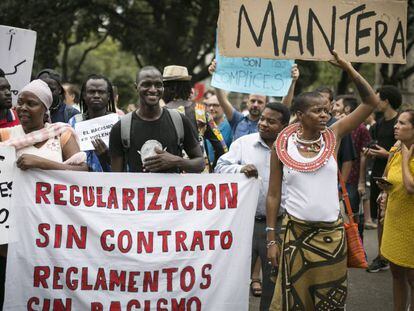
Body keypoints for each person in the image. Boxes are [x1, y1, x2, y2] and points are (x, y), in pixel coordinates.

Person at [266, 51, 380, 310]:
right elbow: (273, 195)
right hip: (296, 236)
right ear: (299, 114)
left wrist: (348, 67)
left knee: (329, 303)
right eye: (317, 111)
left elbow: (371, 102)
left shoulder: (334, 135)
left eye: (326, 111)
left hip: (331, 237)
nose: (324, 115)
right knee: (294, 301)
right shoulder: (281, 147)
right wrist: (272, 240)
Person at [215, 102, 290, 311]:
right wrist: (240, 169)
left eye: (271, 121)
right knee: (233, 280)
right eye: (263, 119)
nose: (263, 124)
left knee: (273, 283)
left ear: (284, 126)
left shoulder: (291, 150)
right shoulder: (243, 144)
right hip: (243, 225)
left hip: (278, 226)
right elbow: (220, 167)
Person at [109, 66, 204, 173]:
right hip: (137, 189)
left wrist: (176, 161)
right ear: (136, 87)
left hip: (172, 189)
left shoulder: (179, 121)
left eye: (158, 85)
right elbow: (116, 178)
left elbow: (200, 163)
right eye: (146, 84)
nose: (153, 89)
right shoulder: (121, 128)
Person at [380, 110, 414, 311]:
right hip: (394, 220)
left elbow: (410, 187)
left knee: (412, 277)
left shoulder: (405, 154)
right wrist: (384, 192)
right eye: (397, 122)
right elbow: (387, 177)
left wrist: (406, 156)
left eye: (402, 123)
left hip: (411, 225)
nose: (396, 126)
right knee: (396, 274)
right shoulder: (396, 149)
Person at [366, 85, 402, 273]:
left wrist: (386, 154)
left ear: (386, 100)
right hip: (378, 176)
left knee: (393, 217)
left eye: (377, 97)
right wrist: (370, 151)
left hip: (396, 179)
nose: (375, 101)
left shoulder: (401, 122)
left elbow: (403, 154)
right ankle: (382, 255)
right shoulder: (379, 123)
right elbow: (371, 144)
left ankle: (394, 255)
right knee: (379, 218)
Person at [163, 65, 226, 171]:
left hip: (169, 179)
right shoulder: (201, 110)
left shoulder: (160, 113)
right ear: (188, 87)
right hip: (200, 179)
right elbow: (222, 147)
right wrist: (213, 169)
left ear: (167, 89)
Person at [332, 95, 372, 239]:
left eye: (336, 104)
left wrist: (361, 181)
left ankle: (358, 254)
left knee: (352, 218)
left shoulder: (360, 128)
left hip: (352, 181)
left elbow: (364, 155)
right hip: (334, 180)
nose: (332, 108)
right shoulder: (331, 125)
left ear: (347, 108)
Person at [69, 74, 117, 172]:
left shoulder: (118, 123)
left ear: (108, 96)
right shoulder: (73, 123)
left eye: (101, 92)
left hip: (110, 184)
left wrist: (107, 157)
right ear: (84, 95)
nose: (96, 95)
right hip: (80, 183)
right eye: (91, 92)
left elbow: (127, 166)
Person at [204, 94, 232, 165]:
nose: (211, 108)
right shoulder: (203, 125)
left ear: (224, 106)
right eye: (209, 105)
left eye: (215, 105)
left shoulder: (230, 126)